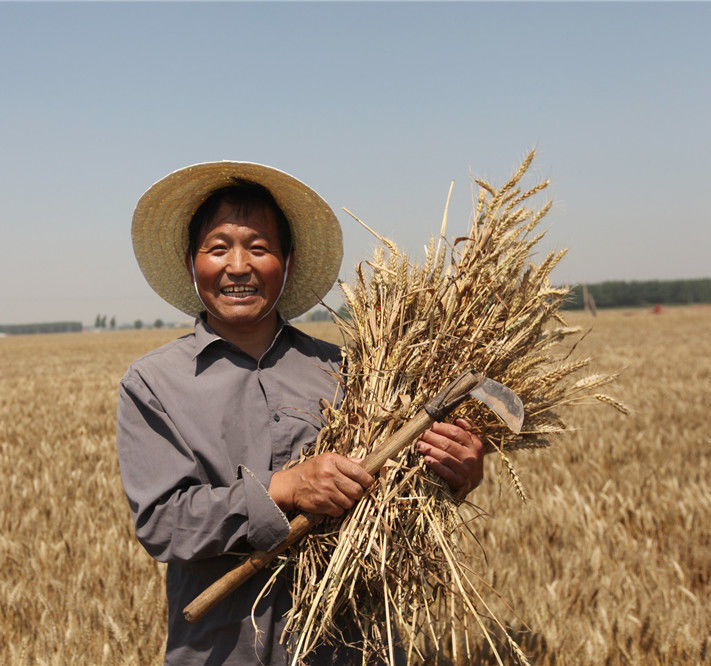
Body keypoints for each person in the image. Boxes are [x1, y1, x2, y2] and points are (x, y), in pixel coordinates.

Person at [116, 161, 484, 664]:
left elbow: (402, 498)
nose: (239, 266)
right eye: (219, 247)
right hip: (224, 651)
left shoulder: (353, 371)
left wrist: (456, 474)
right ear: (190, 262)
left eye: (260, 248)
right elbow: (163, 522)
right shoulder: (154, 383)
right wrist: (281, 489)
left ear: (286, 263)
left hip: (350, 646)